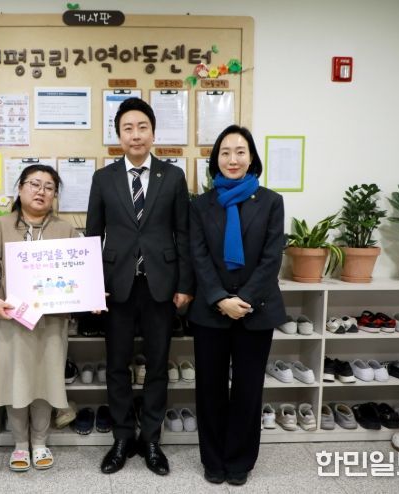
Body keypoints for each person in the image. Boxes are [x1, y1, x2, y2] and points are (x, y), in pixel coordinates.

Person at [86, 97, 194, 476]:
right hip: (116, 286)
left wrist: (185, 283)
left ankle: (150, 439)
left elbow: (183, 233)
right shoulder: (103, 178)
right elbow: (92, 235)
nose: (135, 135)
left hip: (160, 286)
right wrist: (92, 286)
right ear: (118, 136)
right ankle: (121, 438)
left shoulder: (173, 176)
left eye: (142, 127)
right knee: (116, 365)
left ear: (153, 133)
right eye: (128, 128)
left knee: (157, 366)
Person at [187, 124, 286, 486]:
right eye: (225, 152)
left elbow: (272, 257)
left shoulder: (271, 201)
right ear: (215, 159)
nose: (233, 159)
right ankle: (213, 460)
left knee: (248, 389)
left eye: (240, 151)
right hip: (211, 310)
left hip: (255, 309)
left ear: (251, 157)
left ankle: (240, 460)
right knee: (209, 388)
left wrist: (243, 299)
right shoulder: (200, 204)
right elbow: (198, 256)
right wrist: (220, 298)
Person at [0, 164, 79, 472]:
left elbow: (79, 272)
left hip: (52, 321)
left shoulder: (66, 229)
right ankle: (20, 443)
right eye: (34, 184)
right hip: (11, 318)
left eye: (49, 187)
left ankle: (41, 441)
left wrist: (91, 295)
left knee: (47, 379)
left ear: (55, 195)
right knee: (15, 379)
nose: (41, 191)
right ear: (20, 188)